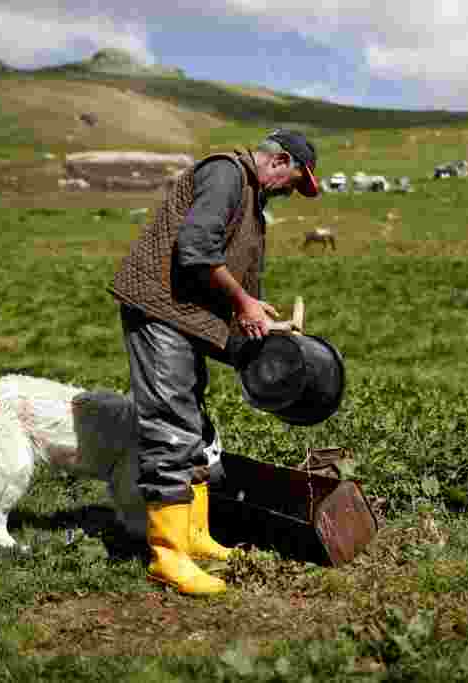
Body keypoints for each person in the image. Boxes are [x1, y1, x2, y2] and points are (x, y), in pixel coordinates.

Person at [109, 129, 320, 595]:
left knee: (195, 424)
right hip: (159, 311)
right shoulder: (226, 174)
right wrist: (243, 303)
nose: (288, 193)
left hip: (183, 315)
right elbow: (196, 250)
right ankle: (168, 556)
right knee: (171, 424)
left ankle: (194, 535)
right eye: (292, 183)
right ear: (280, 161)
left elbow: (225, 269)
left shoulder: (250, 196)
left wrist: (257, 319)